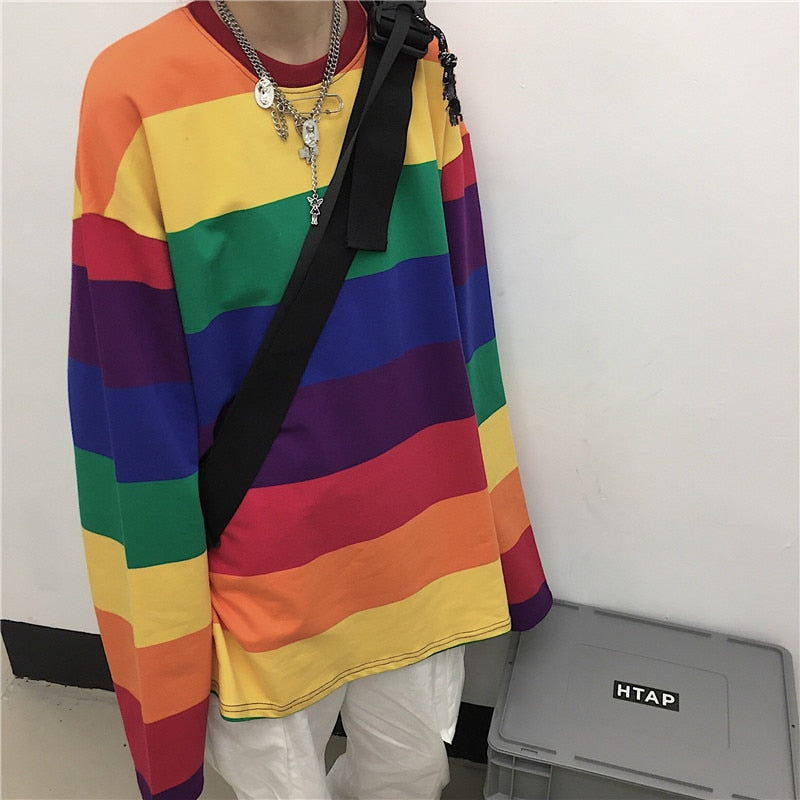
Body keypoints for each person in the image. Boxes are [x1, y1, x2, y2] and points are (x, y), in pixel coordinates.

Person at [67, 2, 552, 798]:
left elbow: (465, 319)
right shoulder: (134, 92)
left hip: (417, 551)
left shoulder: (413, 59)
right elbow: (130, 403)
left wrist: (507, 541)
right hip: (257, 586)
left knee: (411, 778)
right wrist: (166, 647)